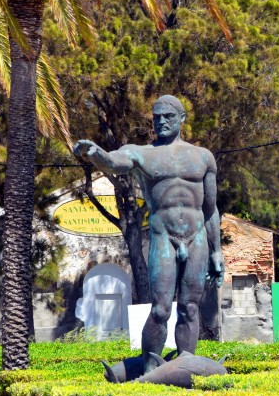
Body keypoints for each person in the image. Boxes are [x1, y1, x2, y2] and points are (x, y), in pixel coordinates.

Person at [74, 95, 223, 371]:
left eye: (168, 116)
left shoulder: (203, 157)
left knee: (190, 308)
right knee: (161, 309)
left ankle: (184, 366)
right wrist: (96, 153)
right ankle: (149, 370)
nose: (161, 121)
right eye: (156, 117)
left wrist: (216, 251)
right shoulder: (142, 153)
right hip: (163, 235)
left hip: (197, 236)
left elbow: (210, 209)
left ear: (182, 119)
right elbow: (114, 162)